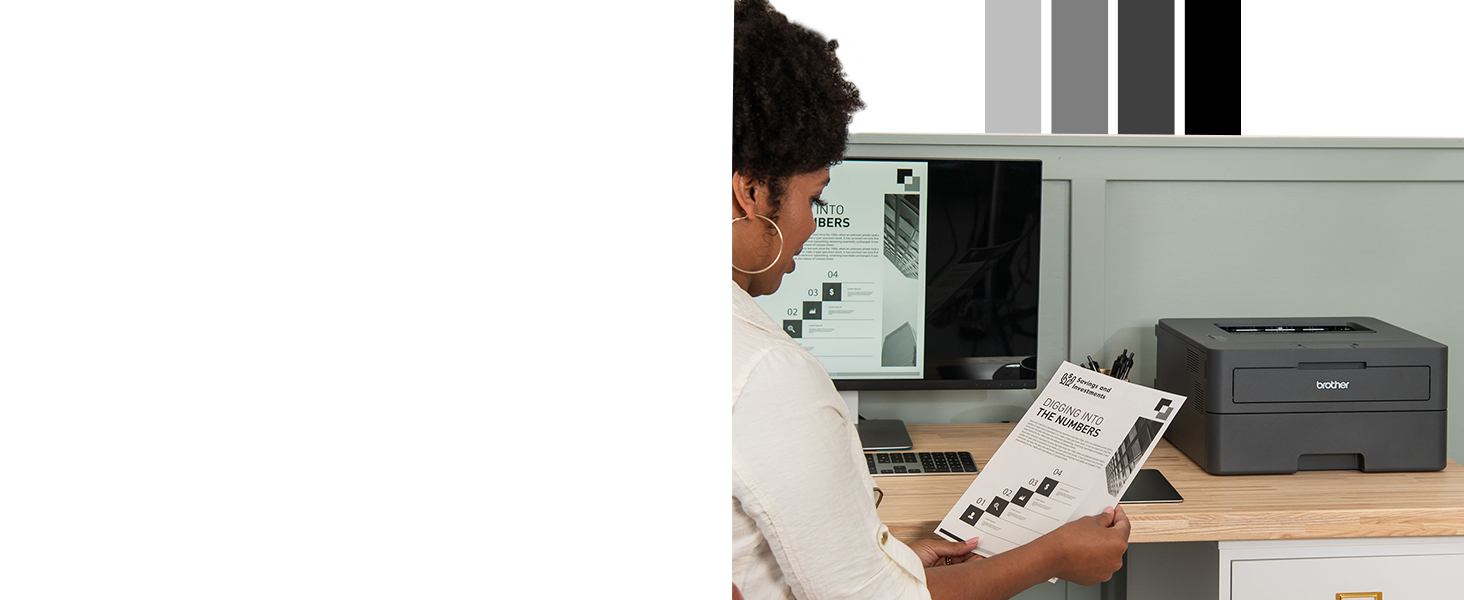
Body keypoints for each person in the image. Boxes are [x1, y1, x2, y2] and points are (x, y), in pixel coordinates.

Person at [730, 1, 1131, 598]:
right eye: (814, 199)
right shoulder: (768, 376)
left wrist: (890, 561)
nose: (813, 227)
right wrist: (1052, 555)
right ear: (751, 191)